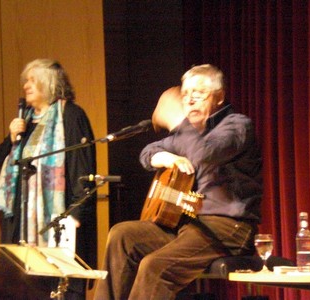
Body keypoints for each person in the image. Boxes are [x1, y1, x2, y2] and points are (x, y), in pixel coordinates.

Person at [94, 64, 263, 300]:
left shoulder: (236, 126)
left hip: (227, 228)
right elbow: (148, 152)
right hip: (188, 226)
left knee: (154, 266)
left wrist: (178, 123)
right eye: (185, 95)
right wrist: (161, 156)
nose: (190, 100)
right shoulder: (188, 134)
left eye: (199, 93)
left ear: (219, 97)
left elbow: (205, 154)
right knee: (123, 235)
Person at [0, 58, 97, 299]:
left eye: (32, 80)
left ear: (49, 83)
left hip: (58, 219)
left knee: (57, 289)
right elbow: (2, 160)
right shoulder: (25, 121)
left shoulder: (70, 115)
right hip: (20, 219)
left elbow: (82, 169)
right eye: (25, 81)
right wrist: (11, 137)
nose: (26, 85)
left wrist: (75, 215)